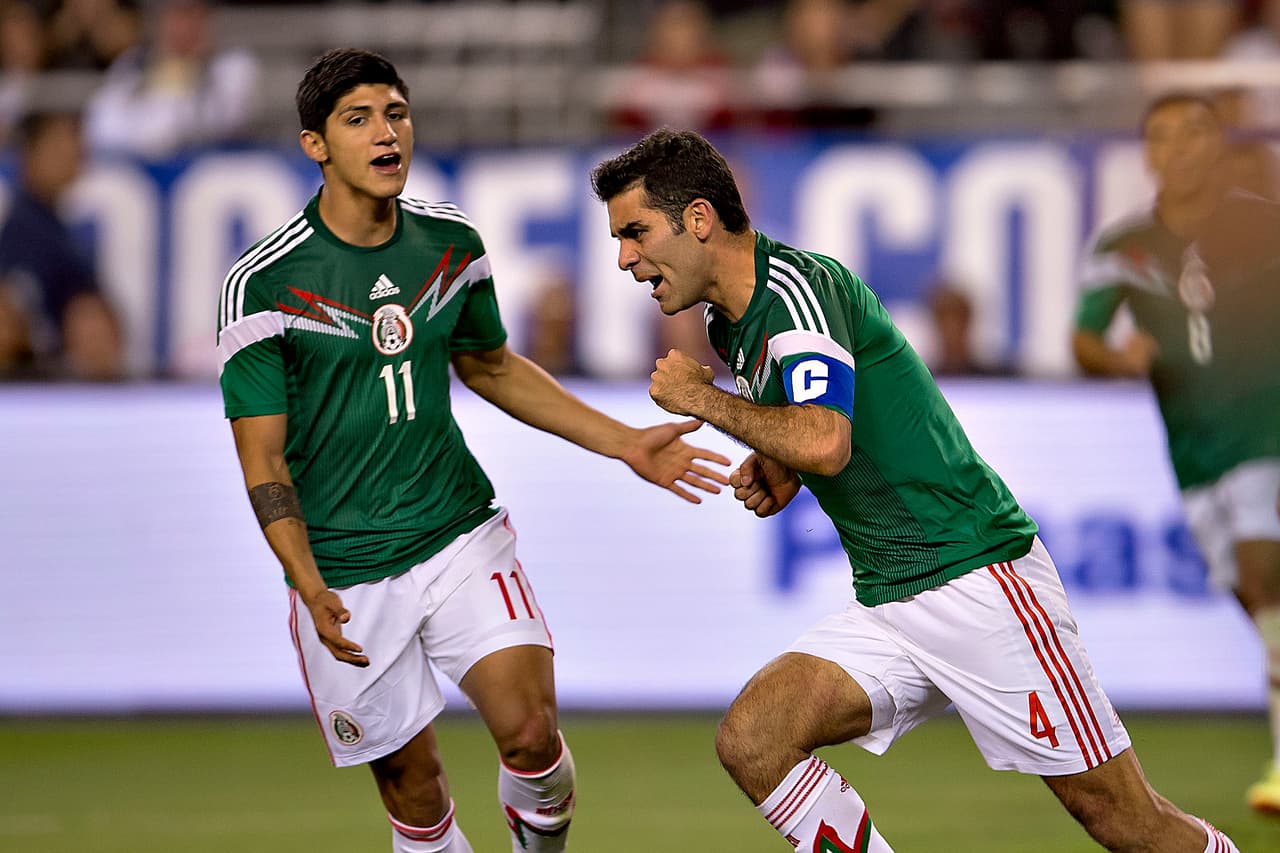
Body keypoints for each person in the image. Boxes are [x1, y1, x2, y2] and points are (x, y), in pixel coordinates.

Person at [590, 128, 1241, 852]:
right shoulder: (729, 321)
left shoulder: (796, 292)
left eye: (635, 233)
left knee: (1127, 822)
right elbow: (821, 428)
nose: (624, 258)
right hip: (891, 597)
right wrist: (781, 463)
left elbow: (825, 441)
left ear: (699, 219)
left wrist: (702, 401)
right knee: (755, 738)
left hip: (976, 576)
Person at [217, 49, 730, 853]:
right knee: (417, 798)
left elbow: (489, 365)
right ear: (315, 144)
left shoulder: (449, 241)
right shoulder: (264, 283)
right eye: (359, 119)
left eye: (397, 113)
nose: (387, 133)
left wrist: (626, 442)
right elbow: (264, 461)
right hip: (344, 569)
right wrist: (308, 582)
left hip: (456, 530)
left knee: (531, 734)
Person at [1074, 91, 1280, 815]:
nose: (1181, 149)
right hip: (1192, 446)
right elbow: (1083, 339)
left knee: (1261, 574)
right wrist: (1118, 359)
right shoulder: (1122, 246)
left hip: (1265, 427)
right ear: (1150, 154)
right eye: (1164, 136)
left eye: (1196, 133)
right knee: (1250, 593)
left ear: (1218, 147)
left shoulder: (1263, 223)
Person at [0, 109, 123, 380]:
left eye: (76, 147)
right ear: (29, 155)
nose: (72, 156)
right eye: (58, 147)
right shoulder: (26, 233)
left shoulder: (53, 226)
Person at [86, 0, 258, 159]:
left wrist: (189, 74)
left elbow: (220, 122)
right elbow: (102, 127)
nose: (185, 28)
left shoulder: (233, 65)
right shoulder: (132, 64)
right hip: (135, 172)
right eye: (177, 17)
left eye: (194, 16)